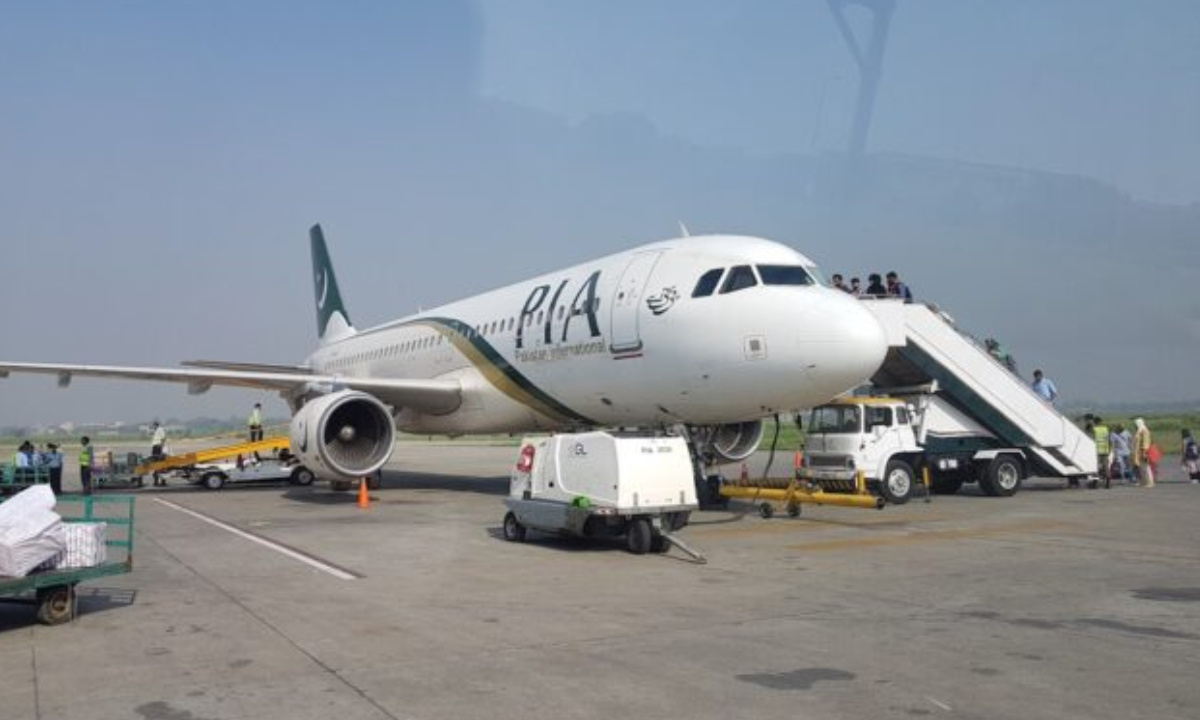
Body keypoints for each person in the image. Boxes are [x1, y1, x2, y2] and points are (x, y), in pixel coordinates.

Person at [1090, 416, 1111, 488]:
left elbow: (1091, 437)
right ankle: (1108, 483)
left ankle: (1095, 483)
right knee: (1106, 466)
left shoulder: (1094, 429)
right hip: (1105, 449)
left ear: (1095, 422)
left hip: (1097, 450)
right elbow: (1108, 439)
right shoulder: (1105, 429)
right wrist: (1109, 449)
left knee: (1096, 467)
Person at [1133, 418, 1154, 488]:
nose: (1135, 426)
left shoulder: (1144, 431)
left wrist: (1144, 453)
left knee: (1146, 468)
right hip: (1139, 452)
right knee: (1141, 468)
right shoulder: (1139, 431)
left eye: (1135, 425)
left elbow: (1145, 443)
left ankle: (1150, 482)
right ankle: (1143, 481)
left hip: (1143, 452)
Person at [150, 421, 168, 486]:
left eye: (153, 425)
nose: (152, 427)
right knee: (156, 464)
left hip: (158, 447)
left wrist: (161, 447)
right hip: (156, 447)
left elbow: (163, 438)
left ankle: (162, 481)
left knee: (159, 464)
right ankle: (157, 481)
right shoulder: (156, 430)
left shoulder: (160, 429)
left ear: (156, 425)